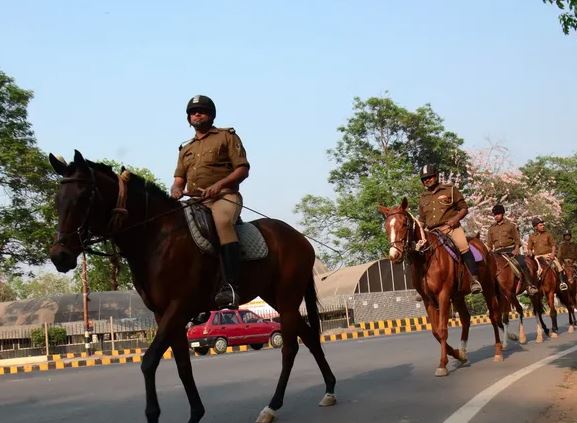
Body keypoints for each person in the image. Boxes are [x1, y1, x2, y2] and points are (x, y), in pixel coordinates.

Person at [171, 95, 250, 308]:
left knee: (221, 222)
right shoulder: (185, 149)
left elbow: (243, 169)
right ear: (189, 119)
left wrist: (220, 185)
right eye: (193, 112)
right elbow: (178, 180)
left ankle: (231, 286)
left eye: (202, 110)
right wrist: (177, 189)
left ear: (211, 115)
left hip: (224, 197)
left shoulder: (226, 136)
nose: (197, 114)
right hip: (196, 201)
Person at [417, 164, 482, 294]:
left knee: (463, 246)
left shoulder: (450, 189)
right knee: (419, 253)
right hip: (433, 232)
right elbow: (423, 220)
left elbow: (464, 208)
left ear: (435, 176)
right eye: (424, 179)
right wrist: (418, 232)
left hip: (451, 228)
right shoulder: (423, 197)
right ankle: (424, 285)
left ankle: (474, 280)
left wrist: (455, 219)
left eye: (429, 177)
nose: (427, 180)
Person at [486, 204, 538, 295]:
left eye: (498, 214)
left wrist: (516, 249)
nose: (496, 216)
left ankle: (529, 285)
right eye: (494, 214)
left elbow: (517, 240)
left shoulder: (510, 226)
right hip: (497, 252)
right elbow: (489, 244)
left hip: (510, 250)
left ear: (502, 214)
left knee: (522, 262)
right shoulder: (491, 229)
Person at [526, 217, 568, 291]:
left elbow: (553, 245)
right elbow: (529, 248)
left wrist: (552, 254)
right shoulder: (531, 237)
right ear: (535, 227)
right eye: (540, 225)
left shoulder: (548, 234)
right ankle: (533, 286)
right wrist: (530, 253)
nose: (543, 226)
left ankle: (562, 283)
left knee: (558, 265)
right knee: (534, 269)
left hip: (548, 254)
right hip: (537, 256)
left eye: (543, 225)